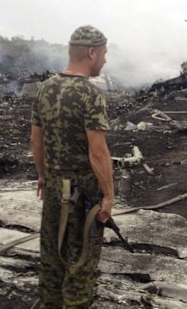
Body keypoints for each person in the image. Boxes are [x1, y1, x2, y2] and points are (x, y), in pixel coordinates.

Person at [30, 25, 114, 309]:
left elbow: (36, 139)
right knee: (80, 260)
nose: (105, 59)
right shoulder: (90, 95)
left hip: (53, 190)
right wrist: (108, 196)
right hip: (82, 196)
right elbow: (98, 153)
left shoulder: (44, 89)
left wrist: (42, 175)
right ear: (91, 52)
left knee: (52, 258)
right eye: (104, 53)